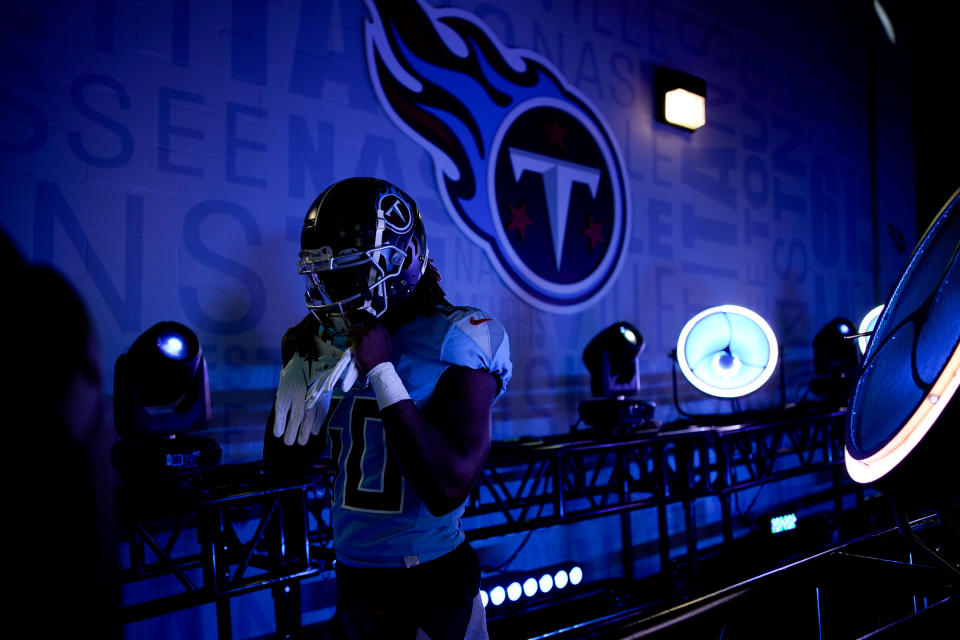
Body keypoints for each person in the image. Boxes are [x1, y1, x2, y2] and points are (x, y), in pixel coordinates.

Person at [263, 177, 511, 639]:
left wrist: (382, 373)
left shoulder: (457, 337)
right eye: (326, 273)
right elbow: (282, 471)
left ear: (404, 260)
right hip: (354, 577)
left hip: (427, 580)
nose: (334, 288)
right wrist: (292, 382)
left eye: (350, 271)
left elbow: (447, 488)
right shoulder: (334, 338)